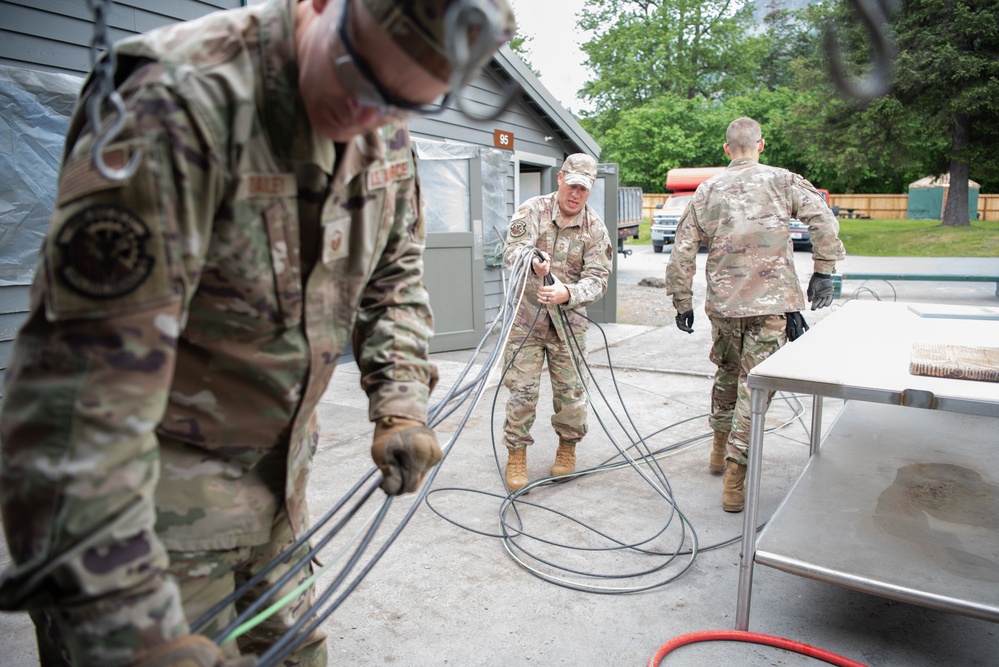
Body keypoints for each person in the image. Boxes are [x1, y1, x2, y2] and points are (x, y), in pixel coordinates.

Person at [0, 1, 515, 665]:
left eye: (401, 101)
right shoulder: (177, 105)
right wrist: (129, 628)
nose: (368, 116)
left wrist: (400, 402)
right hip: (146, 522)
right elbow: (79, 394)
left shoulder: (382, 125)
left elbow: (394, 279)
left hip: (277, 494)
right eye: (358, 74)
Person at [664, 117, 845, 513]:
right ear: (760, 146)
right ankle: (734, 476)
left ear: (727, 149)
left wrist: (681, 301)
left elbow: (681, 251)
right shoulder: (783, 181)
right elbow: (823, 221)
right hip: (770, 304)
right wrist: (824, 271)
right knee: (754, 384)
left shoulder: (706, 191)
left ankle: (717, 450)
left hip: (725, 306)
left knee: (727, 373)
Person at [500, 154, 614, 492]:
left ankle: (567, 450)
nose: (576, 194)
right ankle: (516, 454)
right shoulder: (532, 210)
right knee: (521, 391)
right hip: (527, 322)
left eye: (583, 188)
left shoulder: (595, 228)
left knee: (571, 395)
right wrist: (532, 261)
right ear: (560, 178)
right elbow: (511, 253)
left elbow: (599, 279)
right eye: (572, 184)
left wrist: (570, 292)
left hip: (569, 325)